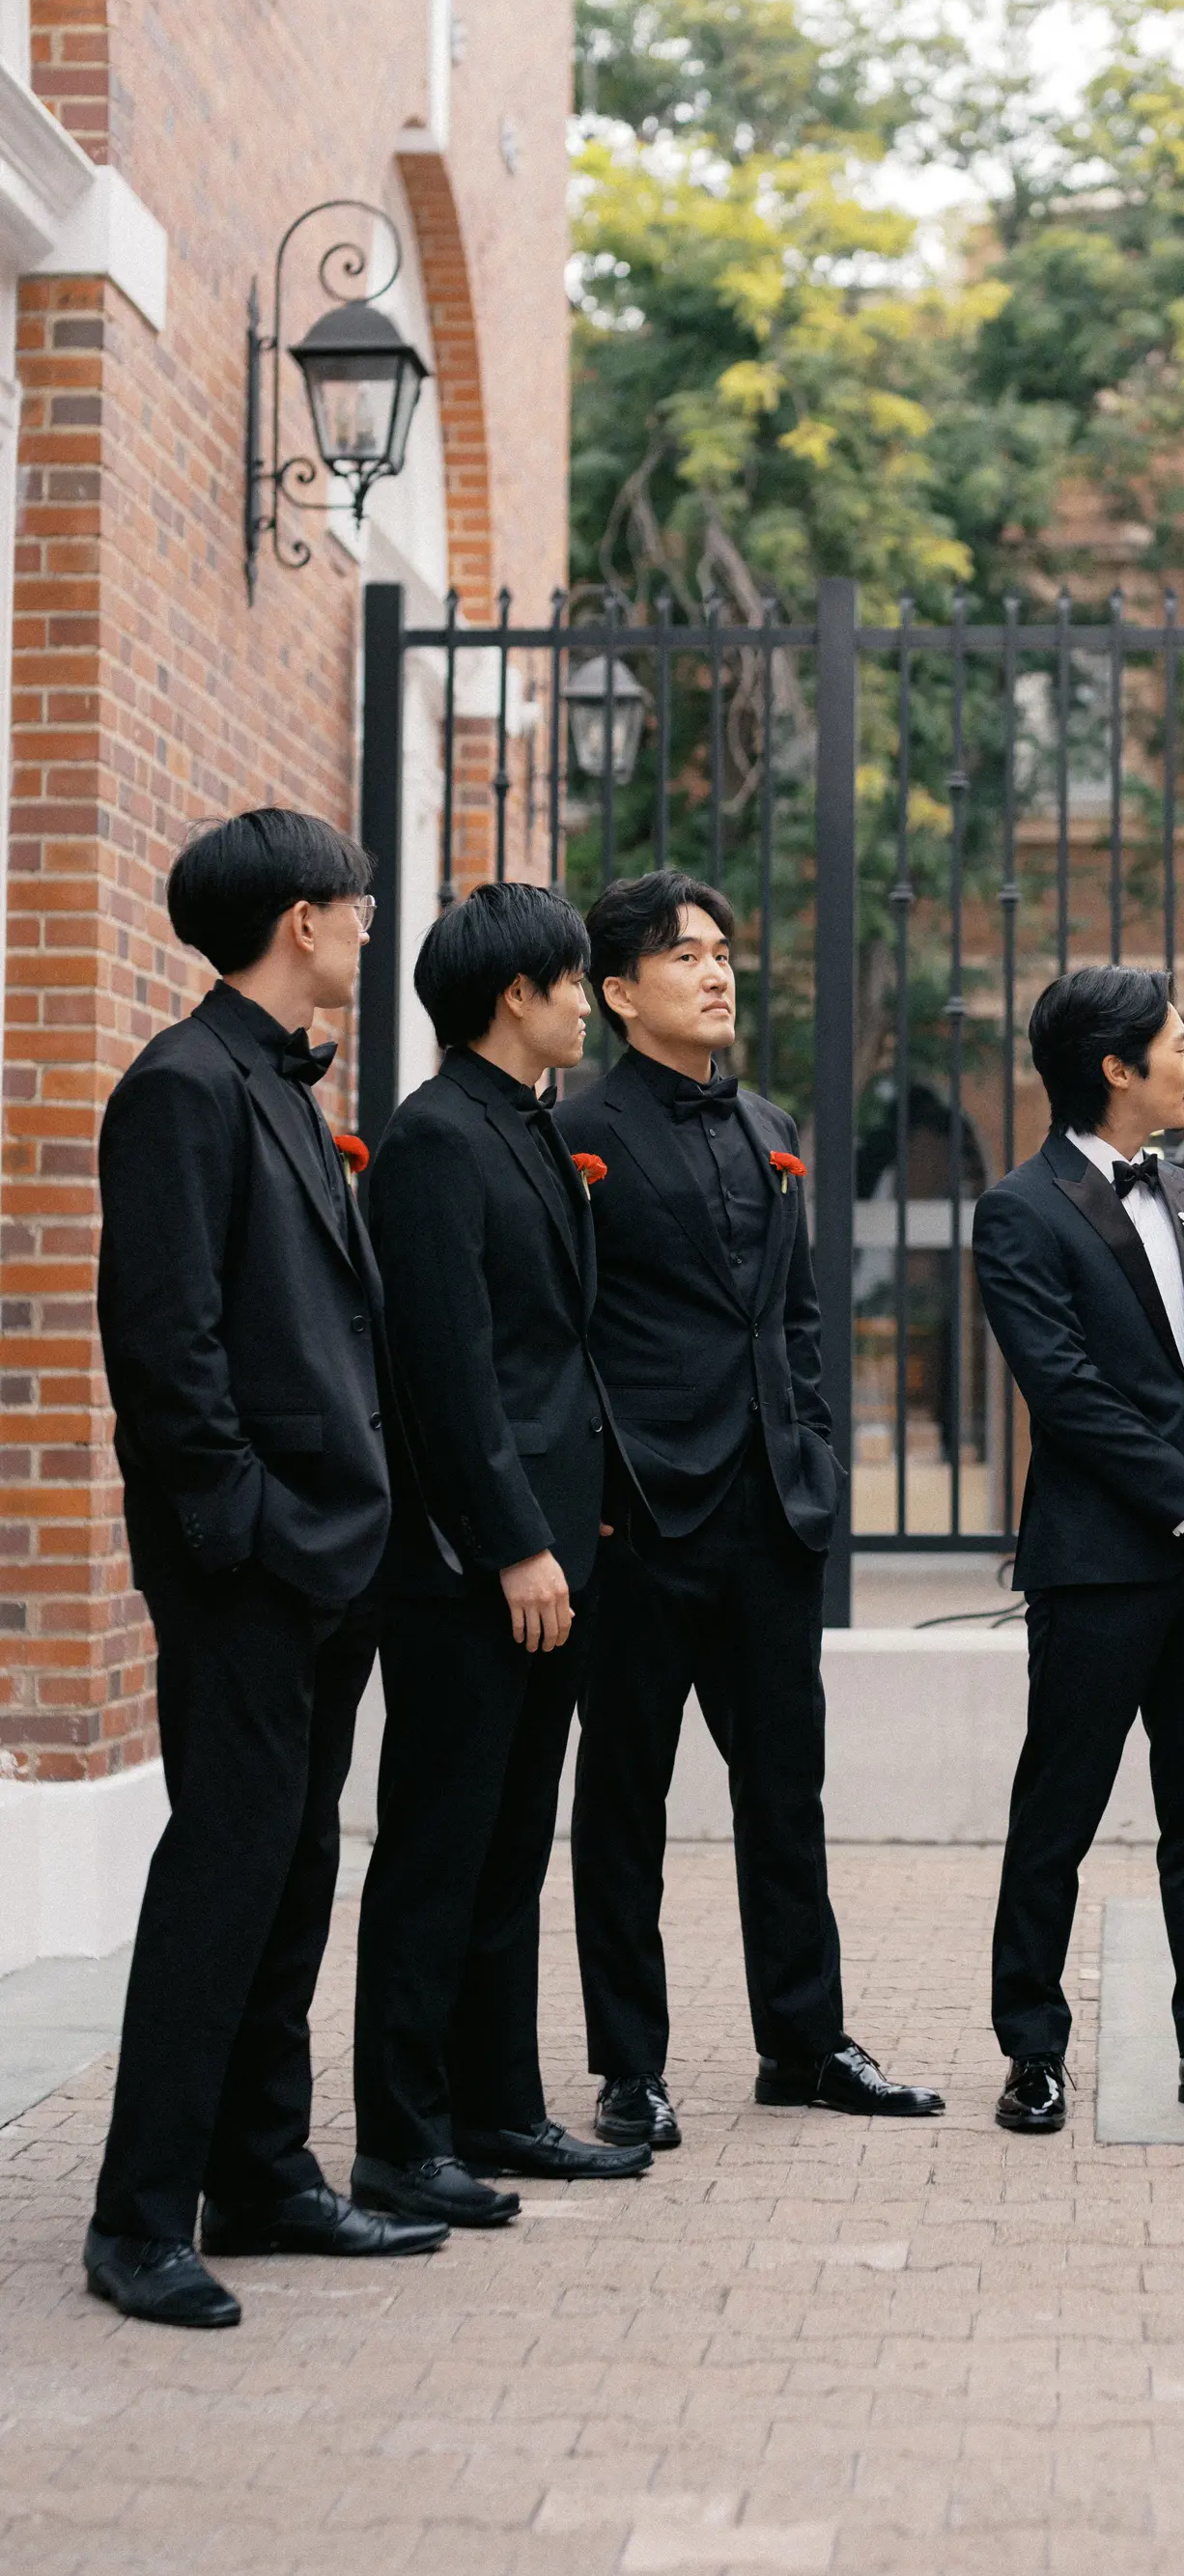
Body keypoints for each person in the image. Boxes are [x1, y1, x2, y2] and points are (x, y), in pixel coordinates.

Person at [86, 810, 448, 2331]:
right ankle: (138, 2219)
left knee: (296, 1868)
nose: (372, 928)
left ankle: (267, 2176)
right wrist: (243, 1528)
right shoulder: (179, 1087)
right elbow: (166, 1350)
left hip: (329, 1556)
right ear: (302, 920)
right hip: (248, 1564)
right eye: (358, 908)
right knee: (223, 1875)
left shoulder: (288, 1091)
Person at [558, 872, 943, 2138]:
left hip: (771, 1514)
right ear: (618, 992)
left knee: (785, 1795)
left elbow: (796, 1314)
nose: (716, 974)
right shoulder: (574, 1134)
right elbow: (561, 1334)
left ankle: (805, 2043)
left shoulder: (770, 1123)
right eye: (684, 957)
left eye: (724, 952)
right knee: (625, 1802)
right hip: (639, 1520)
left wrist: (815, 1458)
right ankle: (630, 2066)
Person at [351, 882, 651, 2227]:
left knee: (510, 1844)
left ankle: (499, 2108)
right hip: (472, 1572)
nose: (587, 1001)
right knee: (438, 1848)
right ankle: (400, 2141)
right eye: (572, 981)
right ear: (511, 996)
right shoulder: (432, 1142)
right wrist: (515, 1546)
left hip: (555, 1556)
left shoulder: (522, 1130)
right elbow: (447, 1373)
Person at [972, 966, 1184, 2134]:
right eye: (1178, 1044)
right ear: (1115, 1068)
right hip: (1101, 1564)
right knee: (1056, 1811)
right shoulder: (1019, 1208)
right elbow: (1064, 1392)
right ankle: (1032, 2050)